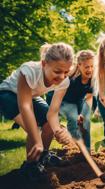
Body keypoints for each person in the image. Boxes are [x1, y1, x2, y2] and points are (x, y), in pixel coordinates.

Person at [0, 43, 74, 180]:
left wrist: (58, 130)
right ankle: (31, 165)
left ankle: (43, 157)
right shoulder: (29, 70)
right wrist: (37, 140)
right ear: (44, 64)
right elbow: (25, 106)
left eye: (66, 72)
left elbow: (52, 113)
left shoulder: (64, 81)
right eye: (57, 72)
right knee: (34, 132)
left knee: (50, 126)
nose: (62, 77)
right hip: (7, 95)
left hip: (31, 97)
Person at [59, 50, 95, 151]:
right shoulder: (71, 78)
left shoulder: (92, 79)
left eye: (92, 66)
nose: (90, 69)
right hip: (65, 102)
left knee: (86, 123)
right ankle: (82, 149)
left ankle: (87, 151)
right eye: (87, 67)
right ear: (79, 65)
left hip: (79, 101)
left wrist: (83, 114)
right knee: (74, 121)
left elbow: (89, 97)